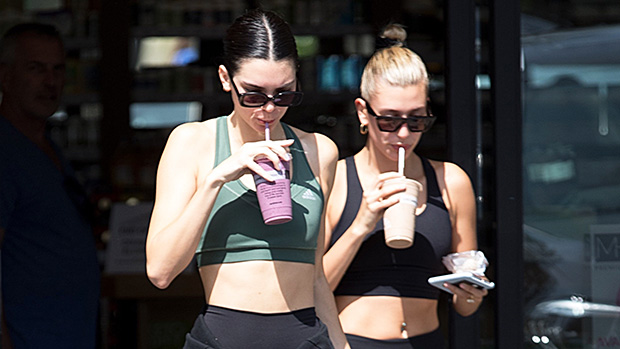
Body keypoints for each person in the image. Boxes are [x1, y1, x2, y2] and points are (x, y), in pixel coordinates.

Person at [145, 9, 348, 349]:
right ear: (226, 79)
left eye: (283, 94)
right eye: (253, 95)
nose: (268, 109)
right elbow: (161, 271)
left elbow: (315, 275)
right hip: (224, 337)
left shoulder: (319, 151)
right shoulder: (193, 142)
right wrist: (217, 178)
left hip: (303, 337)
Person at [323, 24, 489, 348]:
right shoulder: (337, 180)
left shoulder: (450, 182)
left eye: (416, 120)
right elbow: (311, 288)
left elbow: (466, 308)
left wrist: (472, 291)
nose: (402, 134)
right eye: (388, 120)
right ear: (362, 112)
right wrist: (362, 223)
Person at [0, 23, 100, 348]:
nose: (50, 82)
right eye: (36, 69)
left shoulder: (47, 147)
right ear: (5, 76)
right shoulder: (5, 150)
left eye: (57, 69)